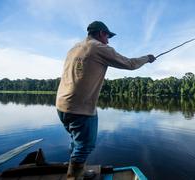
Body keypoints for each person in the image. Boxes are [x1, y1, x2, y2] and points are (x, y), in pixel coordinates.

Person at [55, 21, 156, 180]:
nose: (108, 41)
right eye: (108, 36)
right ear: (102, 33)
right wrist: (147, 58)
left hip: (61, 105)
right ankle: (73, 177)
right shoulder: (98, 47)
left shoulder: (74, 48)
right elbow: (129, 64)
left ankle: (78, 171)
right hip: (80, 109)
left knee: (76, 142)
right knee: (84, 146)